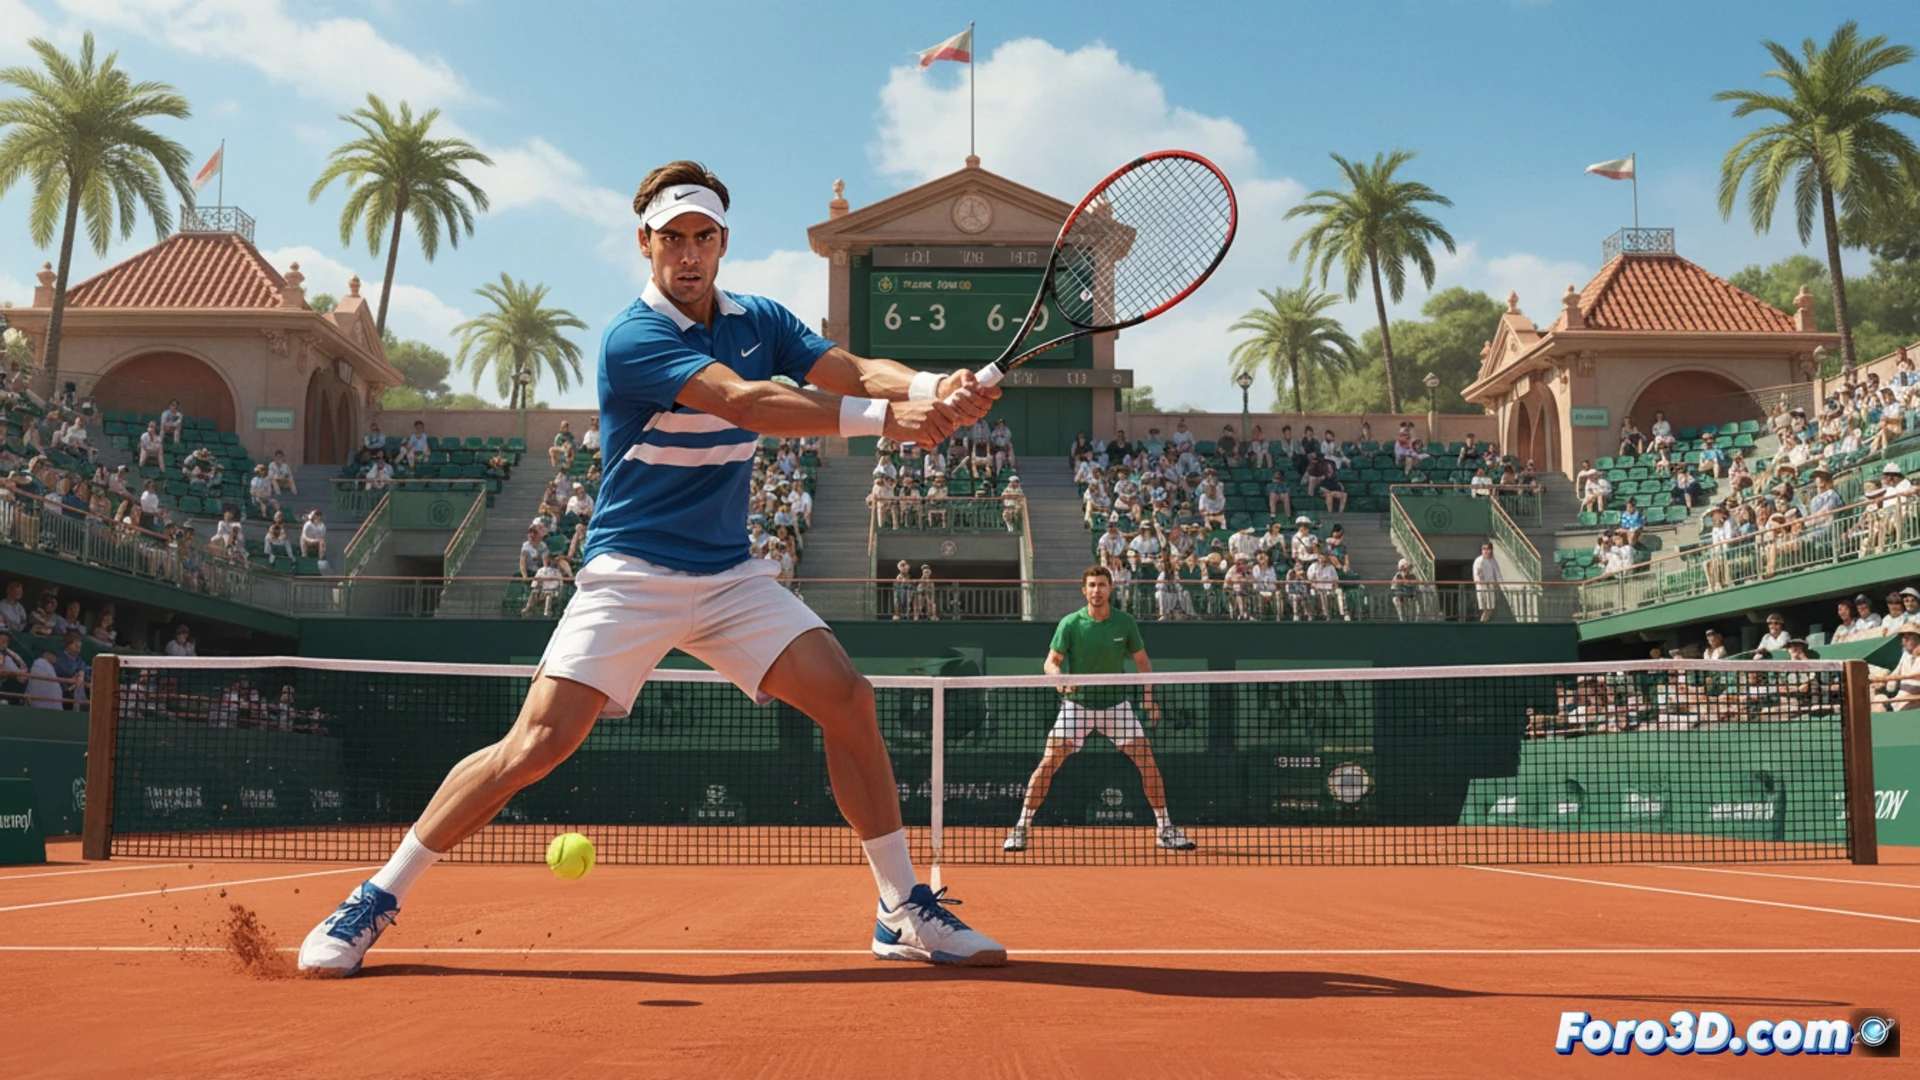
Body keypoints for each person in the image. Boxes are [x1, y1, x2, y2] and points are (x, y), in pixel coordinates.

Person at [298, 160, 1004, 976]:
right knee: (533, 746)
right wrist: (894, 419)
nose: (690, 253)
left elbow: (845, 369)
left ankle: (900, 910)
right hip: (630, 572)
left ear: (724, 242)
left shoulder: (760, 317)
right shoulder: (635, 337)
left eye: (704, 237)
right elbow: (743, 403)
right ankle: (374, 899)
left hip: (730, 576)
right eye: (674, 238)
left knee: (847, 696)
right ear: (645, 243)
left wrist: (929, 384)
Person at [1002, 565, 1195, 854]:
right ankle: (1021, 828)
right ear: (1084, 590)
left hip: (1116, 706)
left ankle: (1164, 828)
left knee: (1147, 762)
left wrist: (1148, 698)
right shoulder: (1070, 623)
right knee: (1049, 761)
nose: (1096, 590)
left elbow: (1142, 662)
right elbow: (1051, 662)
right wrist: (1059, 680)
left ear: (1111, 588)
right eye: (1091, 585)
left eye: (1102, 585)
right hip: (1077, 706)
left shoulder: (1125, 622)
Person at [1472, 541, 1501, 623]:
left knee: (1491, 609)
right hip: (1482, 587)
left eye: (1488, 549)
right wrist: (1481, 582)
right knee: (1486, 608)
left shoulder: (1493, 561)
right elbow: (1478, 574)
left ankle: (1484, 622)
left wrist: (1499, 583)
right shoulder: (1478, 561)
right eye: (1484, 549)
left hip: (1491, 587)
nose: (1486, 551)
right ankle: (1482, 624)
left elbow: (1497, 573)